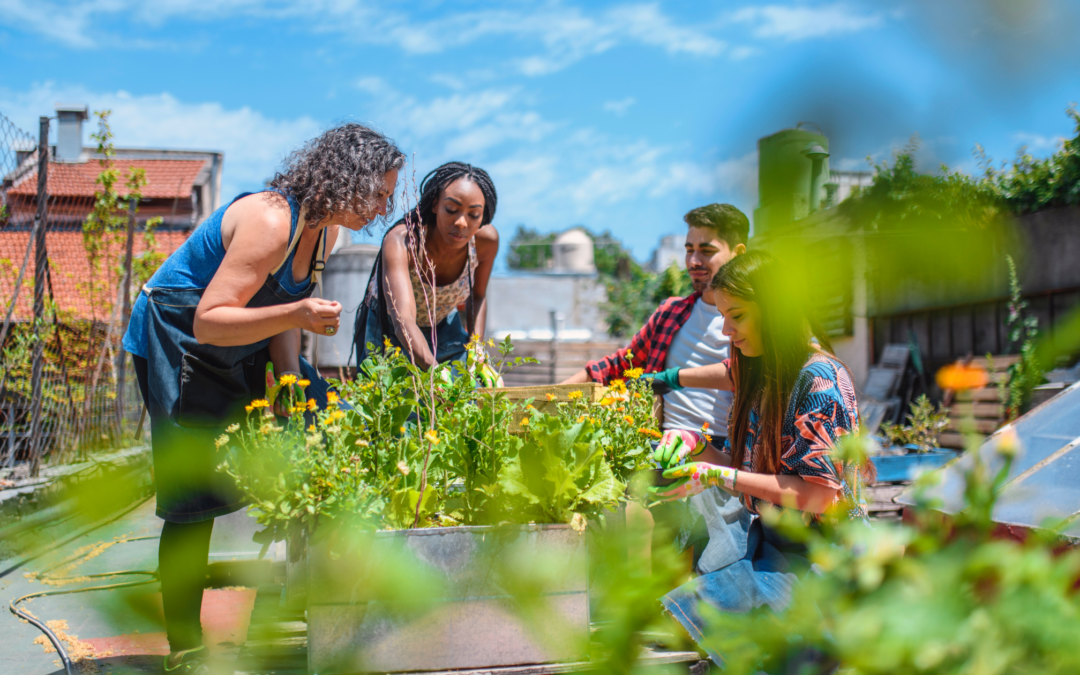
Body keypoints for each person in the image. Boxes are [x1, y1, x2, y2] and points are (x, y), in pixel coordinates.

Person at [121, 124, 405, 673]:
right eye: (378, 192)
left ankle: (320, 601)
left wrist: (290, 380)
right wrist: (298, 315)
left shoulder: (326, 234)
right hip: (180, 342)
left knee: (327, 422)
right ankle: (185, 647)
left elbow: (281, 314)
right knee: (193, 499)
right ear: (348, 178)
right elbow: (210, 321)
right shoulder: (272, 221)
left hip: (241, 343)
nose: (383, 207)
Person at [648, 250, 870, 666]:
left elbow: (819, 497)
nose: (726, 330)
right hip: (775, 547)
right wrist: (696, 444)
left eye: (737, 316)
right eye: (723, 316)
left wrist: (715, 474)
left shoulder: (818, 379)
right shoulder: (762, 371)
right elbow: (746, 472)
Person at [561, 203, 750, 572]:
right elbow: (619, 365)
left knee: (684, 543)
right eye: (689, 249)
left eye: (706, 250)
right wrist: (546, 396)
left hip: (720, 453)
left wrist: (672, 377)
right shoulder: (672, 313)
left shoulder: (749, 320)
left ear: (738, 252)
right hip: (661, 446)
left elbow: (747, 373)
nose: (693, 261)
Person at [356, 162, 498, 370]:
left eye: (474, 215)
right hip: (389, 327)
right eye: (451, 209)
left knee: (471, 385)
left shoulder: (486, 242)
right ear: (435, 205)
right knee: (388, 390)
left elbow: (477, 296)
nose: (461, 222)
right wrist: (436, 374)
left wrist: (477, 348)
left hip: (443, 325)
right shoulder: (403, 241)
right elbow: (403, 319)